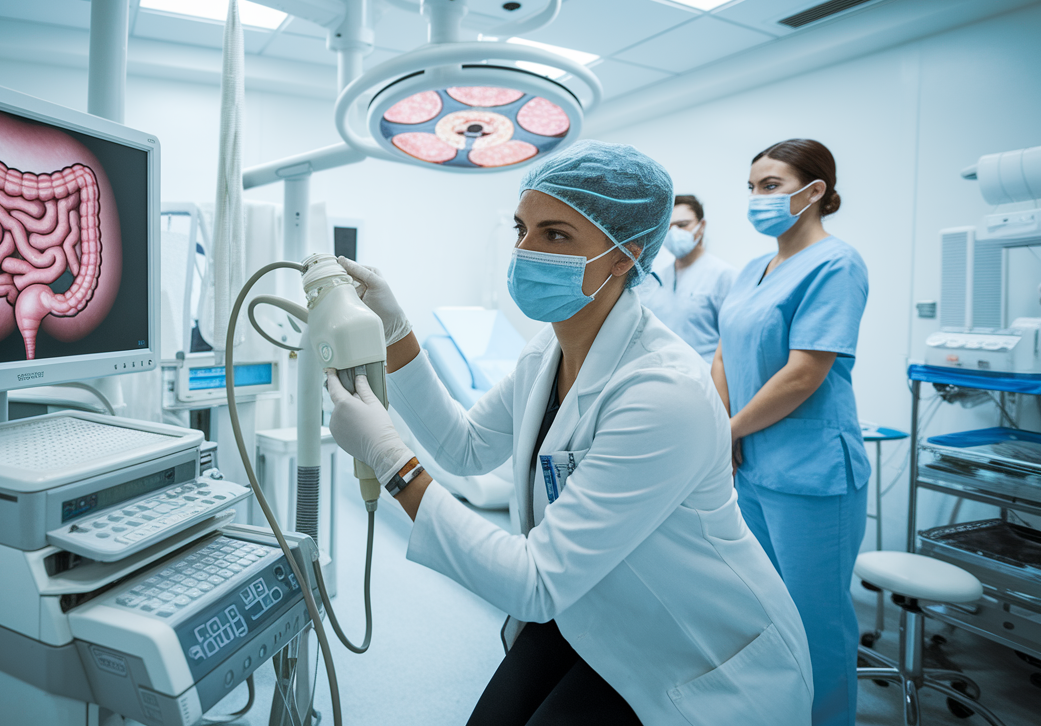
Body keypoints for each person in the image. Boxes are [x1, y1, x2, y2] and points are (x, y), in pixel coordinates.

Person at [325, 140, 813, 726]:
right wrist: (394, 329)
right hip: (594, 609)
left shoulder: (664, 392)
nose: (525, 252)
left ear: (623, 256)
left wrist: (387, 456)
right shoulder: (548, 351)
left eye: (555, 235)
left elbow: (533, 581)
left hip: (699, 655)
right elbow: (467, 447)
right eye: (521, 229)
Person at [712, 139, 869, 726]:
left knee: (815, 621)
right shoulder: (753, 269)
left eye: (771, 185)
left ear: (815, 191)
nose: (758, 198)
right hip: (753, 464)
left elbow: (804, 373)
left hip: (812, 474)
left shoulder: (837, 263)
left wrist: (728, 429)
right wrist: (722, 430)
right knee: (765, 612)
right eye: (752, 187)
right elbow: (725, 354)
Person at [639, 194, 736, 363]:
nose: (674, 233)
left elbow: (734, 343)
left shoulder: (724, 276)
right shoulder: (656, 278)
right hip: (662, 375)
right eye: (668, 228)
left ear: (701, 226)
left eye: (682, 225)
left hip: (706, 381)